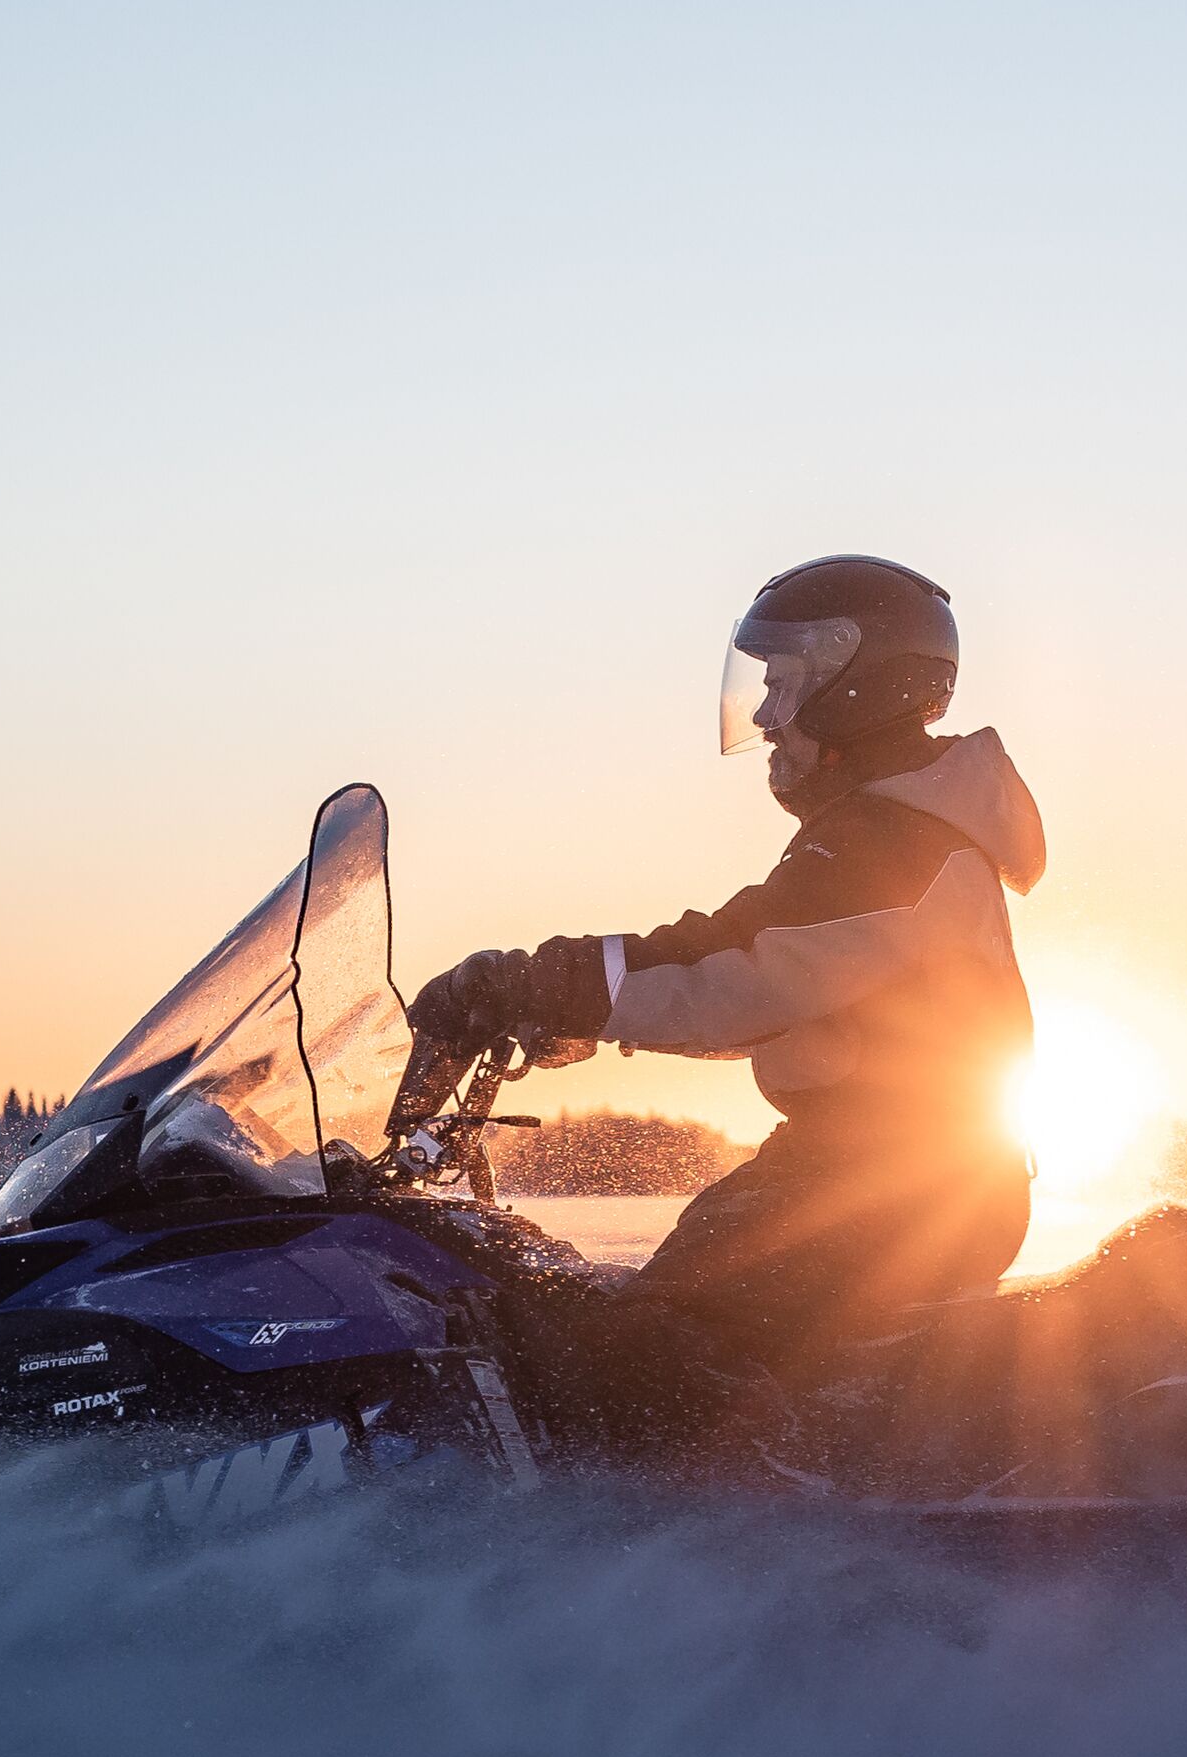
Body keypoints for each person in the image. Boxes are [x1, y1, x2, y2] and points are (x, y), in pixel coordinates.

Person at [395, 554, 1046, 1384]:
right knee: (624, 1315)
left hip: (900, 1187)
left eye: (786, 683)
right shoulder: (887, 829)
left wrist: (528, 983)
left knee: (636, 1357)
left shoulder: (889, 844)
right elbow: (779, 989)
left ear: (856, 687)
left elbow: (734, 971)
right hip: (886, 1171)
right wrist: (572, 1009)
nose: (769, 714)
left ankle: (650, 1508)